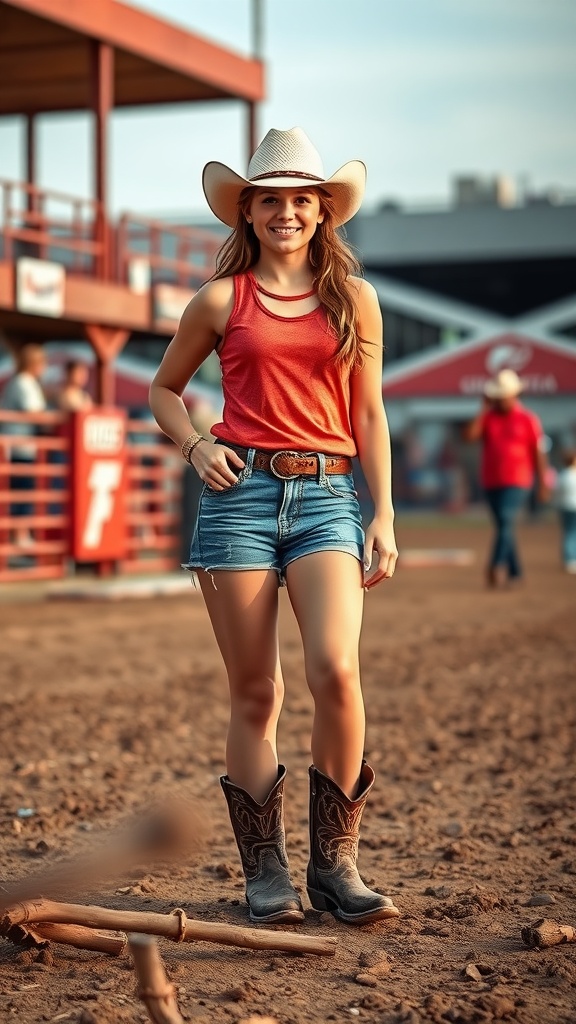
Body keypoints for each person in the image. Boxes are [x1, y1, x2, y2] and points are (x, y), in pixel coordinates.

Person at [149, 127, 399, 926]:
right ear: (248, 213)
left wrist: (384, 511)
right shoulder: (221, 300)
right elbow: (163, 389)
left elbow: (369, 411)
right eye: (270, 200)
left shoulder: (353, 301)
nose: (286, 212)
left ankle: (337, 865)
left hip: (328, 496)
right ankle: (267, 873)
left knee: (337, 670)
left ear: (323, 212)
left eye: (302, 199)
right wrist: (195, 446)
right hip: (239, 500)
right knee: (257, 688)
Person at [463, 368, 549, 587]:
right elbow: (469, 436)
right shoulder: (488, 418)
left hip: (519, 480)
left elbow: (538, 453)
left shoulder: (528, 419)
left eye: (504, 396)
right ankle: (516, 573)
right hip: (491, 481)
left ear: (514, 395)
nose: (500, 401)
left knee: (506, 519)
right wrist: (482, 408)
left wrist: (544, 482)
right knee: (504, 524)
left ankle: (494, 565)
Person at [0, 343, 47, 547]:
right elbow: (33, 412)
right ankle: (19, 537)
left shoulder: (21, 381)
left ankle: (20, 535)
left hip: (21, 447)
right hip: (19, 449)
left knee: (21, 493)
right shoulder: (23, 382)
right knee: (22, 493)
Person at [554, 449, 576, 574]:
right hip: (574, 507)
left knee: (568, 532)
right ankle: (571, 559)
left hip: (563, 508)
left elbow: (556, 493)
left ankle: (568, 557)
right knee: (572, 533)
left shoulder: (561, 476)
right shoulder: (574, 475)